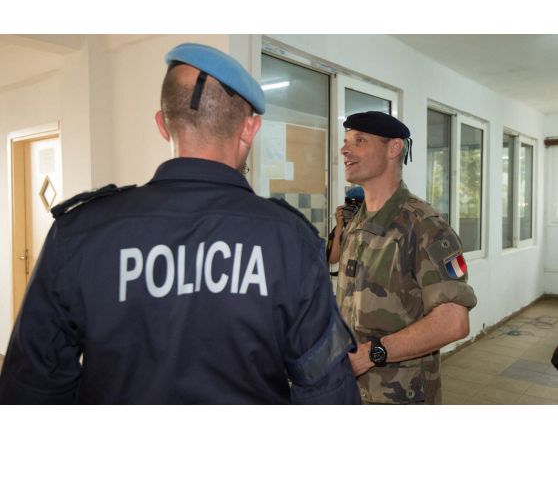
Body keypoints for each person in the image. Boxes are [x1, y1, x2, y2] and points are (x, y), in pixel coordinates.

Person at [0, 43, 359, 405]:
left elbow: (32, 386)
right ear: (250, 129)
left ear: (162, 124)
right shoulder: (289, 239)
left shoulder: (80, 232)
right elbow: (325, 387)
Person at [335, 111, 477, 404]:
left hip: (400, 396)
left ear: (394, 148)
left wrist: (373, 353)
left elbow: (453, 322)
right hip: (351, 392)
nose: (345, 149)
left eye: (359, 141)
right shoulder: (356, 222)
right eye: (346, 140)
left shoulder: (424, 225)